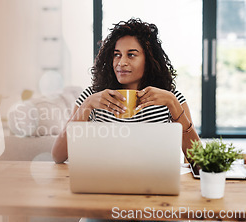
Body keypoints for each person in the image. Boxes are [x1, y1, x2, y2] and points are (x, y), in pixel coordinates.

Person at [51, 18, 201, 164]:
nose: (121, 62)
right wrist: (86, 106)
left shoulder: (171, 99)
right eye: (117, 54)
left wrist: (173, 104)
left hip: (153, 186)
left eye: (131, 55)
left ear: (149, 59)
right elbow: (58, 156)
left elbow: (199, 162)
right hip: (103, 184)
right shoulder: (92, 97)